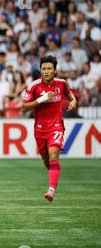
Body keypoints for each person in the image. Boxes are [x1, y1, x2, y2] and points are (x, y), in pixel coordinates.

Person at [21, 55, 77, 202]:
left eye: (49, 69)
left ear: (55, 70)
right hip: (40, 129)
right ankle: (54, 175)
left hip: (56, 126)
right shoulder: (34, 86)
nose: (46, 71)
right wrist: (42, 99)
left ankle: (51, 190)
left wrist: (74, 100)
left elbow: (68, 92)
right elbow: (23, 107)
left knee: (53, 156)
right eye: (44, 68)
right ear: (40, 70)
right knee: (47, 161)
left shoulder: (62, 83)